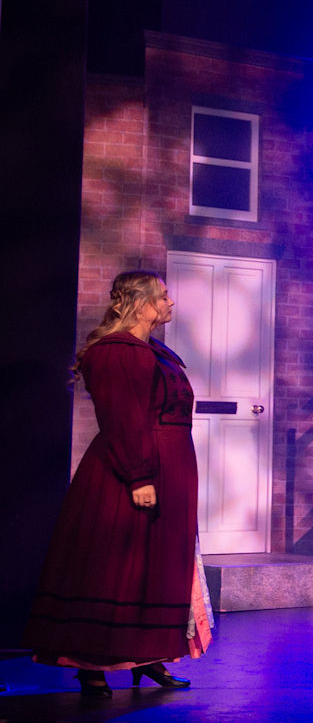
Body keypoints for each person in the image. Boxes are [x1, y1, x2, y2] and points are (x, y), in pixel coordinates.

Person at [23, 271, 212, 697]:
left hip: (170, 470)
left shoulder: (155, 352)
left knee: (154, 567)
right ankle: (91, 665)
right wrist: (139, 476)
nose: (170, 303)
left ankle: (147, 657)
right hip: (130, 472)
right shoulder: (116, 353)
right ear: (141, 304)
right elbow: (122, 418)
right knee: (114, 568)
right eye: (162, 296)